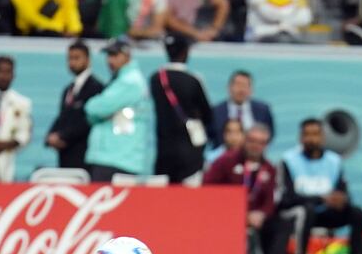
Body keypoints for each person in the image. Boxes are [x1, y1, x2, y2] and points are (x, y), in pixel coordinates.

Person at [272, 118, 362, 254]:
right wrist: (321, 199)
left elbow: (343, 190)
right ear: (301, 138)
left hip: (327, 211)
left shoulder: (334, 161)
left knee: (357, 213)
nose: (312, 139)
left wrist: (341, 199)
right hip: (300, 211)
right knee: (306, 211)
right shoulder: (288, 160)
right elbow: (286, 197)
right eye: (307, 134)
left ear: (323, 137)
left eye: (316, 134)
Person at [203, 123, 278, 254]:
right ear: (245, 140)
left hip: (255, 217)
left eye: (261, 142)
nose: (256, 146)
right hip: (225, 215)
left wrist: (261, 214)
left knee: (280, 219)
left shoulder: (269, 168)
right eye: (252, 141)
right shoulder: (225, 161)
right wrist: (237, 213)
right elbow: (207, 189)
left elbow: (270, 201)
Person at [83, 38, 151, 182]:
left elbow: (94, 108)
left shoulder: (130, 82)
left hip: (118, 157)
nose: (110, 60)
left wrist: (96, 111)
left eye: (114, 55)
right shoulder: (120, 80)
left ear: (127, 56)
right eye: (108, 55)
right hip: (112, 157)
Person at [149, 37, 212, 185]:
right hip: (190, 152)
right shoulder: (193, 80)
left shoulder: (155, 79)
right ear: (185, 53)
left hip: (163, 150)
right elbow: (207, 115)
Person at [46, 40, 103, 169]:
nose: (72, 62)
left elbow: (87, 120)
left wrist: (63, 137)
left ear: (88, 60)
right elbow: (62, 116)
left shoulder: (96, 87)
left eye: (77, 58)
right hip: (65, 155)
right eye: (70, 58)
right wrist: (50, 137)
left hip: (85, 154)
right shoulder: (69, 89)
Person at [210, 70, 274, 145]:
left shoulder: (263, 110)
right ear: (229, 87)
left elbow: (269, 133)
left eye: (245, 85)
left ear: (251, 89)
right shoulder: (216, 112)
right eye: (238, 85)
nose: (241, 89)